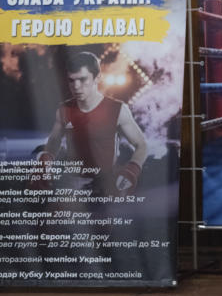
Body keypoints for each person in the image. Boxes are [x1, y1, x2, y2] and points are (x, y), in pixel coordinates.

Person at [38, 51, 147, 195]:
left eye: (82, 79)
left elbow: (141, 145)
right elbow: (53, 142)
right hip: (72, 183)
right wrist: (44, 165)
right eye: (71, 80)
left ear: (97, 78)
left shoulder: (118, 109)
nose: (76, 86)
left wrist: (131, 171)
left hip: (105, 183)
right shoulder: (64, 110)